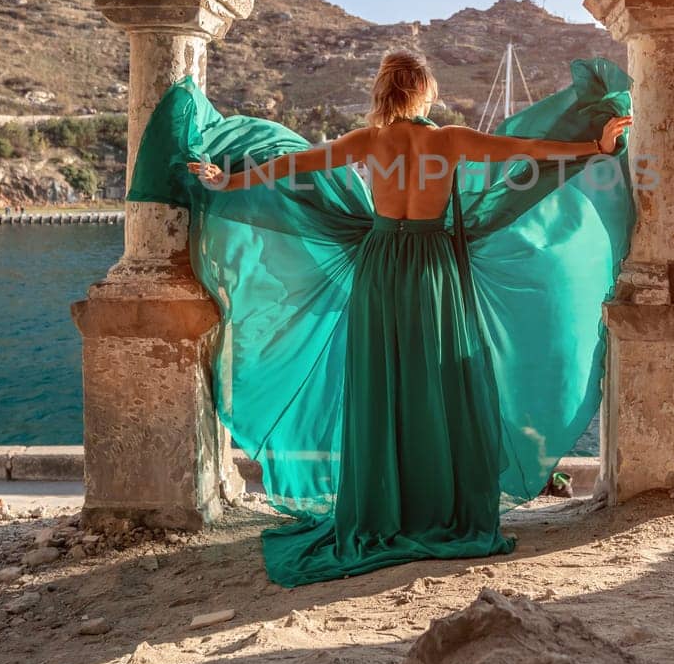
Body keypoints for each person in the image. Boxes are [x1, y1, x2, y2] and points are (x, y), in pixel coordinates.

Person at [129, 50, 634, 587]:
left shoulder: (368, 143)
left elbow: (290, 166)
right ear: (424, 92)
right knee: (438, 380)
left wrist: (224, 182)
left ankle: (383, 507)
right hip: (435, 267)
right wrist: (594, 147)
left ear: (385, 92)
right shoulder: (450, 140)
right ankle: (439, 503)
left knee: (383, 381)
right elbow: (530, 151)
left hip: (382, 263)